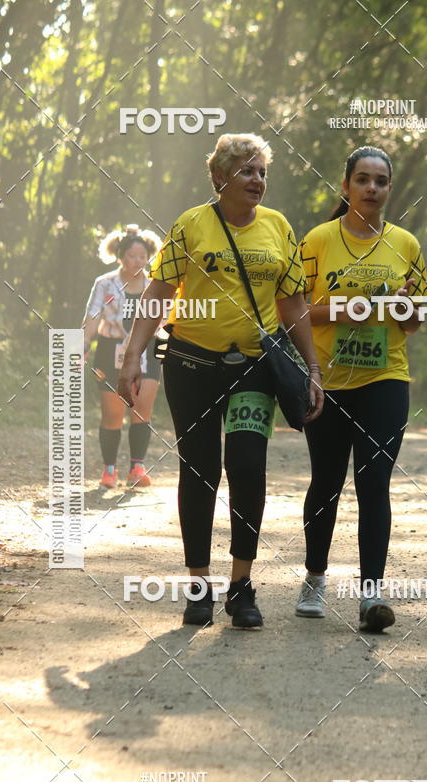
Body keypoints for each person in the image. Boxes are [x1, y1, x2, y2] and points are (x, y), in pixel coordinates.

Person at [117, 133, 323, 629]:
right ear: (220, 178)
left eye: (262, 172)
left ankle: (241, 587)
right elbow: (160, 292)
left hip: (254, 366)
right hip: (191, 365)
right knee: (201, 469)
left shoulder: (278, 228)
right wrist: (132, 353)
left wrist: (313, 369)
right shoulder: (191, 225)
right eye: (247, 171)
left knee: (249, 467)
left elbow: (293, 304)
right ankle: (198, 586)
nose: (257, 181)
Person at [296, 146, 427, 632]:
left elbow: (415, 322)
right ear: (346, 186)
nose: (372, 188)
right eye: (362, 179)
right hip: (328, 378)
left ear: (389, 189)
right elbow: (295, 310)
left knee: (374, 485)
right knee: (326, 483)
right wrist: (347, 309)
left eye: (380, 181)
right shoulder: (317, 240)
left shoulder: (406, 245)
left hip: (385, 378)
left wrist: (404, 307)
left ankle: (370, 596)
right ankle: (314, 578)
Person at [83, 225, 162, 488]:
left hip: (147, 351)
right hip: (109, 349)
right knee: (112, 413)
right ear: (120, 256)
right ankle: (109, 470)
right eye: (131, 256)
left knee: (141, 410)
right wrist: (84, 343)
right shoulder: (104, 283)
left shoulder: (156, 285)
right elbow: (93, 316)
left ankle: (137, 468)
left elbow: (166, 320)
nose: (137, 261)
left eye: (142, 256)